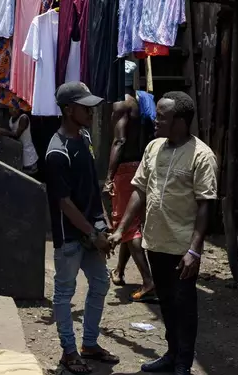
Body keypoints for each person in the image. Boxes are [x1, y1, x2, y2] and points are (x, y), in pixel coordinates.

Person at [110, 91, 218, 375]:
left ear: (181, 122)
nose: (155, 120)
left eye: (162, 117)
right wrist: (120, 230)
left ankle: (184, 366)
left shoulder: (201, 156)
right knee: (167, 305)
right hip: (155, 242)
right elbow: (139, 191)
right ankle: (171, 354)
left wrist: (195, 250)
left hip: (182, 248)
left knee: (184, 307)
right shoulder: (154, 147)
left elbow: (205, 205)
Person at [45, 81, 119, 375]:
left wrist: (104, 221)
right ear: (67, 110)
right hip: (71, 235)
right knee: (64, 292)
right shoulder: (56, 152)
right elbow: (64, 203)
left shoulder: (85, 137)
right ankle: (69, 352)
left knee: (100, 283)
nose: (91, 110)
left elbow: (90, 186)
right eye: (84, 106)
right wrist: (92, 234)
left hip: (91, 230)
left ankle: (89, 344)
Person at [103, 61, 156, 302]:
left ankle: (148, 280)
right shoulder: (141, 99)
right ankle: (120, 270)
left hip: (126, 168)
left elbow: (120, 141)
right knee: (128, 220)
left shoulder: (121, 102)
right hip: (140, 164)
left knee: (128, 226)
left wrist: (109, 176)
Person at [0, 107, 39, 175]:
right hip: (20, 154)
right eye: (11, 108)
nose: (13, 110)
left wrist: (2, 131)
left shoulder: (24, 118)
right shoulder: (11, 119)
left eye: (16, 108)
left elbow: (16, 135)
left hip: (29, 157)